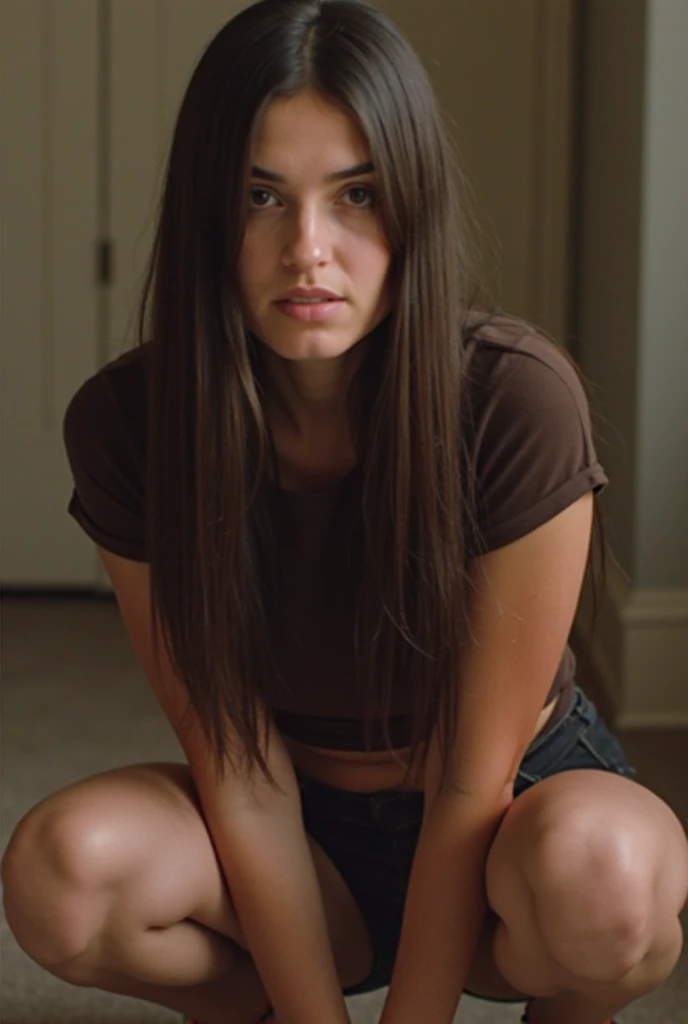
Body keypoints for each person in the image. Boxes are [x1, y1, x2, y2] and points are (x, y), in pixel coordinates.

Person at [3, 2, 687, 1023]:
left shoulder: (514, 398)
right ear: (205, 213)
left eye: (356, 195)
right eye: (260, 196)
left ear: (412, 203)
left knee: (609, 883)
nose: (308, 249)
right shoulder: (126, 425)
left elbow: (471, 775)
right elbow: (236, 770)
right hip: (295, 826)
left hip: (508, 805)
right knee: (61, 871)